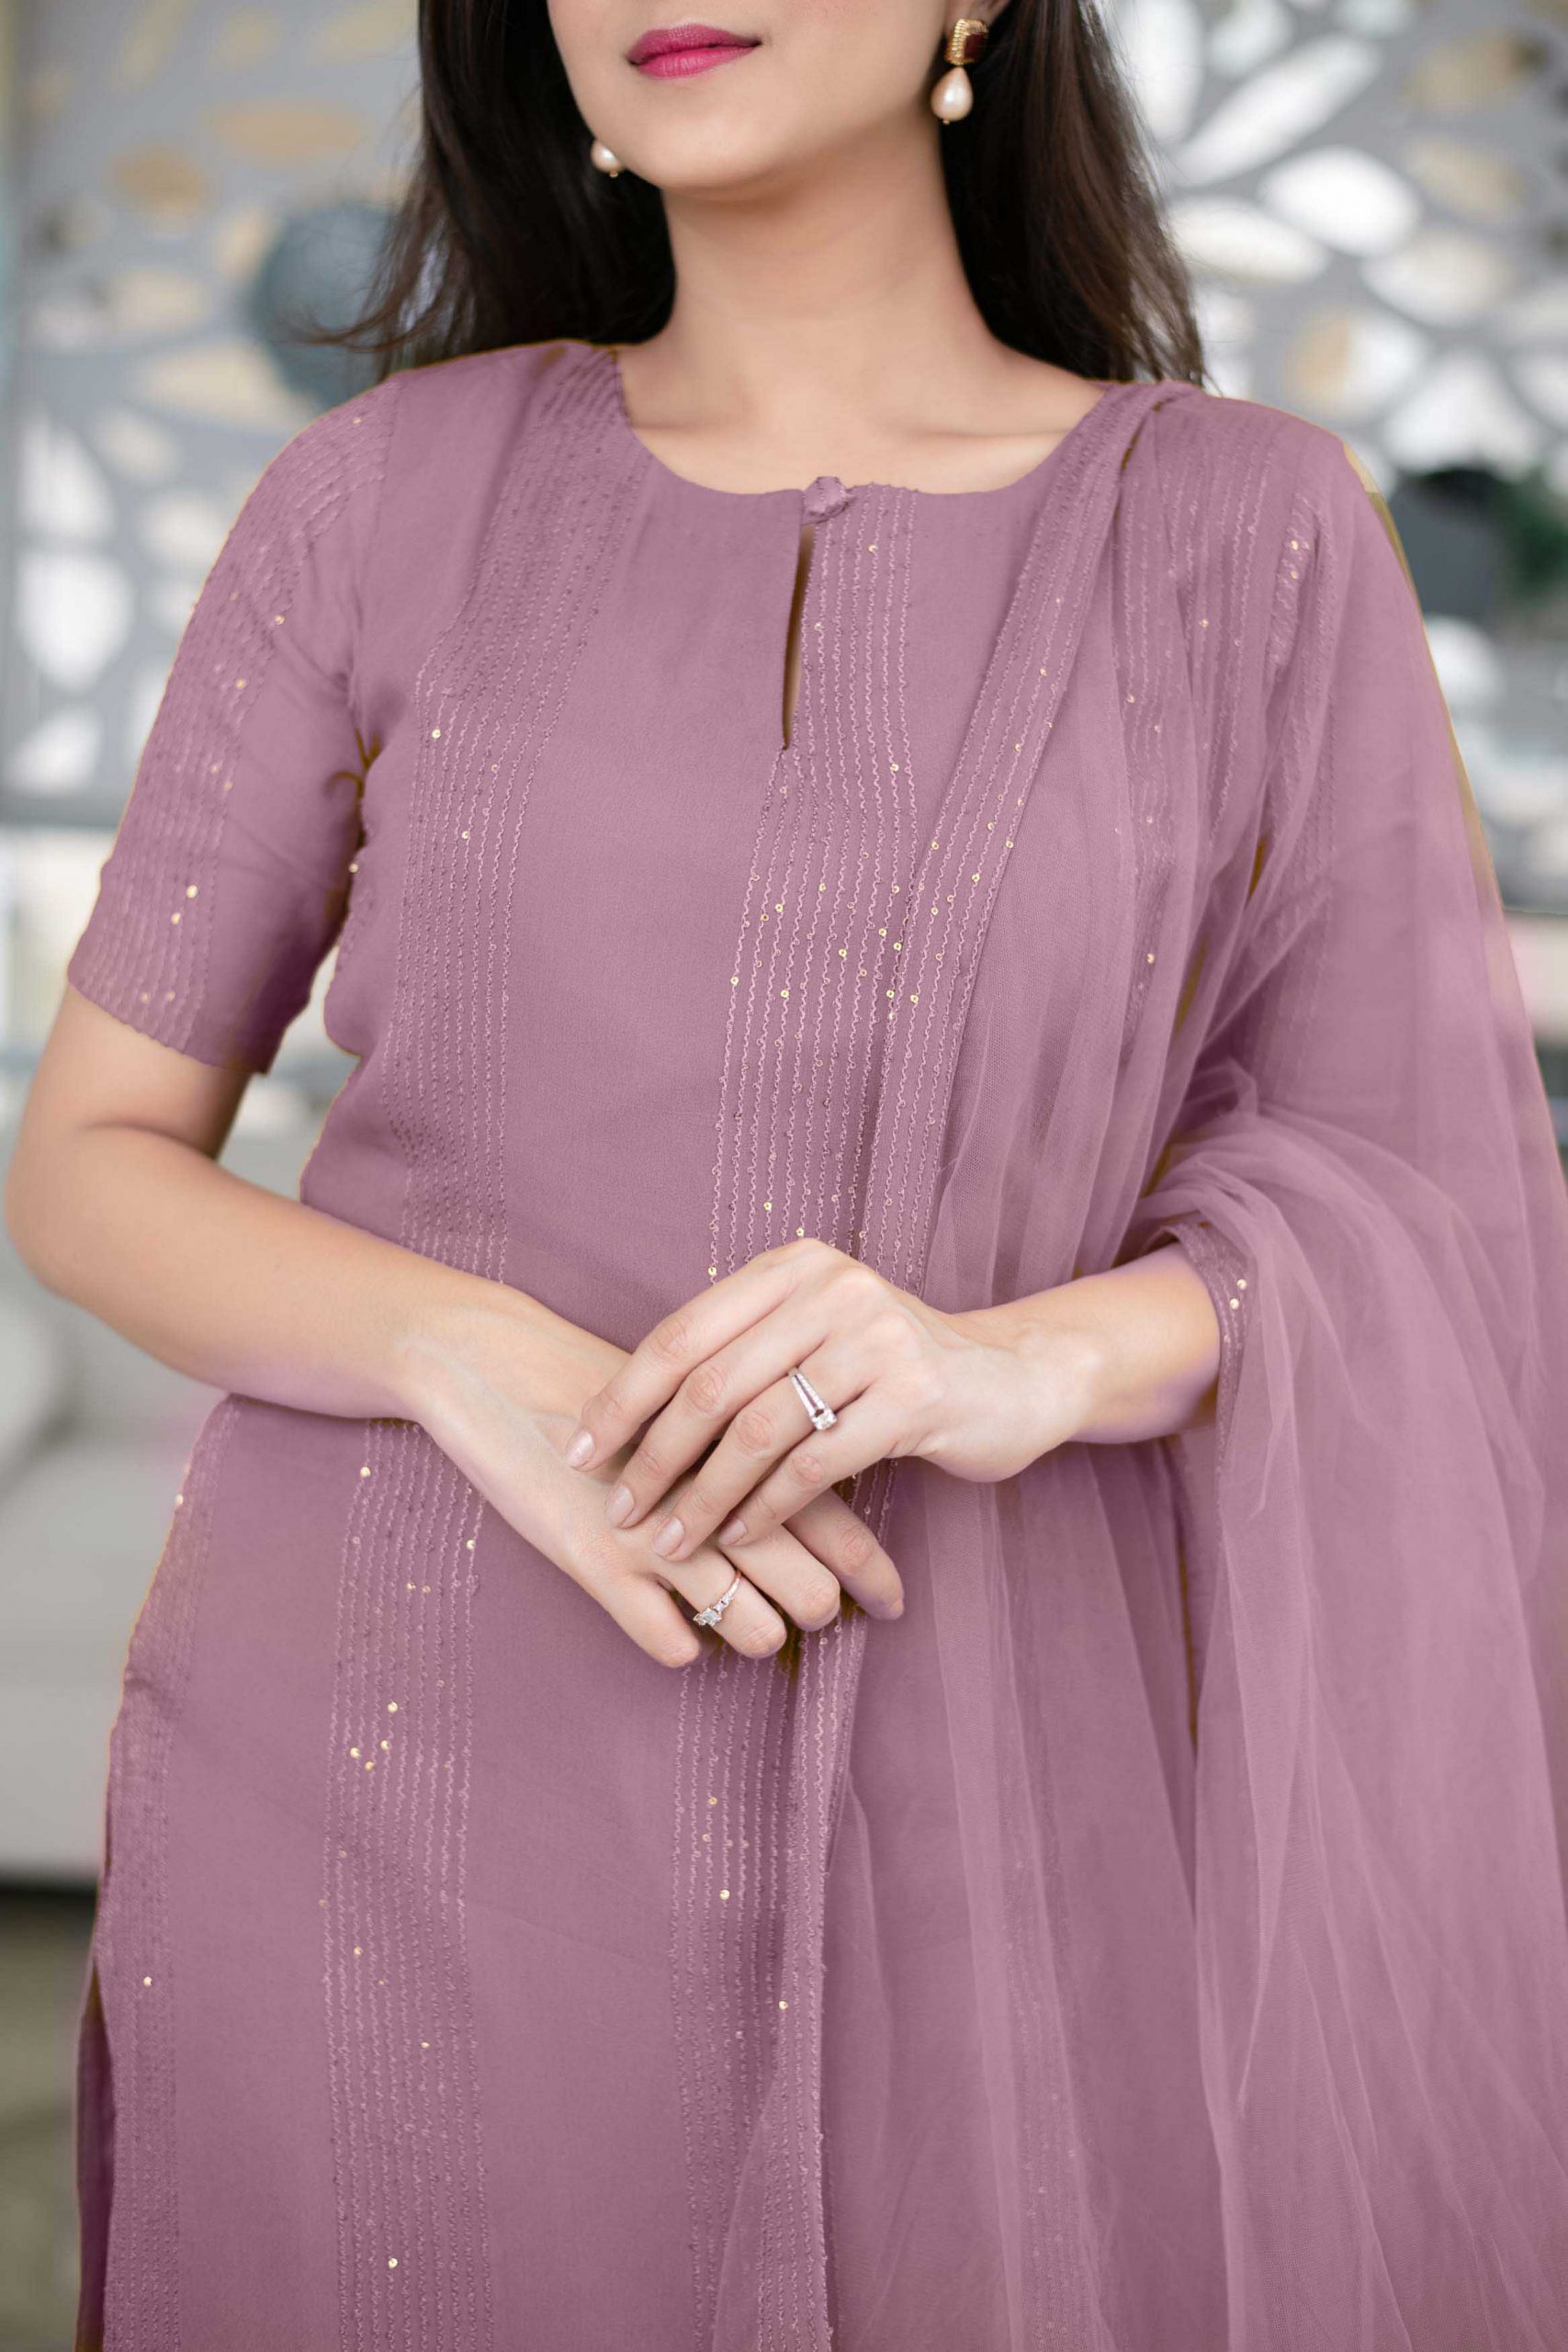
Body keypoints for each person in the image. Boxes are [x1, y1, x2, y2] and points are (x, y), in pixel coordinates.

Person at [8, 0, 1568, 2343]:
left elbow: (1410, 1194)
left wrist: (1008, 1363)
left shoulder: (1244, 529)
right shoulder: (374, 503)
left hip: (1003, 1760)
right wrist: (469, 1352)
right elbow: (93, 1160)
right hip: (385, 1749)